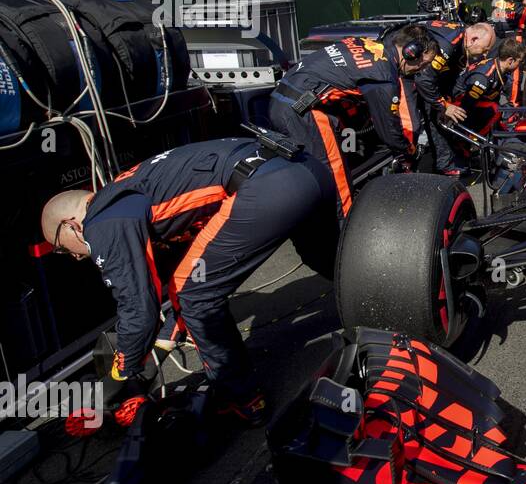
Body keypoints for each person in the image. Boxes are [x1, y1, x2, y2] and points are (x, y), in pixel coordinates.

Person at [39, 138, 330, 424]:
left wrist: (120, 374)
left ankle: (243, 398)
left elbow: (140, 310)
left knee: (196, 295)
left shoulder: (100, 223)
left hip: (263, 187)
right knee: (329, 259)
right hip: (303, 167)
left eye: (63, 249)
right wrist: (161, 345)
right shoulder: (130, 190)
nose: (75, 258)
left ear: (71, 226)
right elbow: (183, 276)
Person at [269, 24, 431, 220]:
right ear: (411, 52)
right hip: (303, 112)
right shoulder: (383, 74)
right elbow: (388, 130)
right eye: (422, 64)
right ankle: (343, 236)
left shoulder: (365, 43)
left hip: (279, 100)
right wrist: (408, 150)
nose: (421, 69)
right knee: (337, 181)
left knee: (309, 176)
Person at [413, 22, 495, 176]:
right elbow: (424, 79)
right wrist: (443, 105)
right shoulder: (450, 42)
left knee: (441, 110)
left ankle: (447, 159)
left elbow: (448, 76)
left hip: (420, 74)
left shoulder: (462, 42)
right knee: (428, 114)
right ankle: (426, 165)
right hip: (404, 74)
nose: (484, 55)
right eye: (484, 49)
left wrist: (448, 99)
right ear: (474, 39)